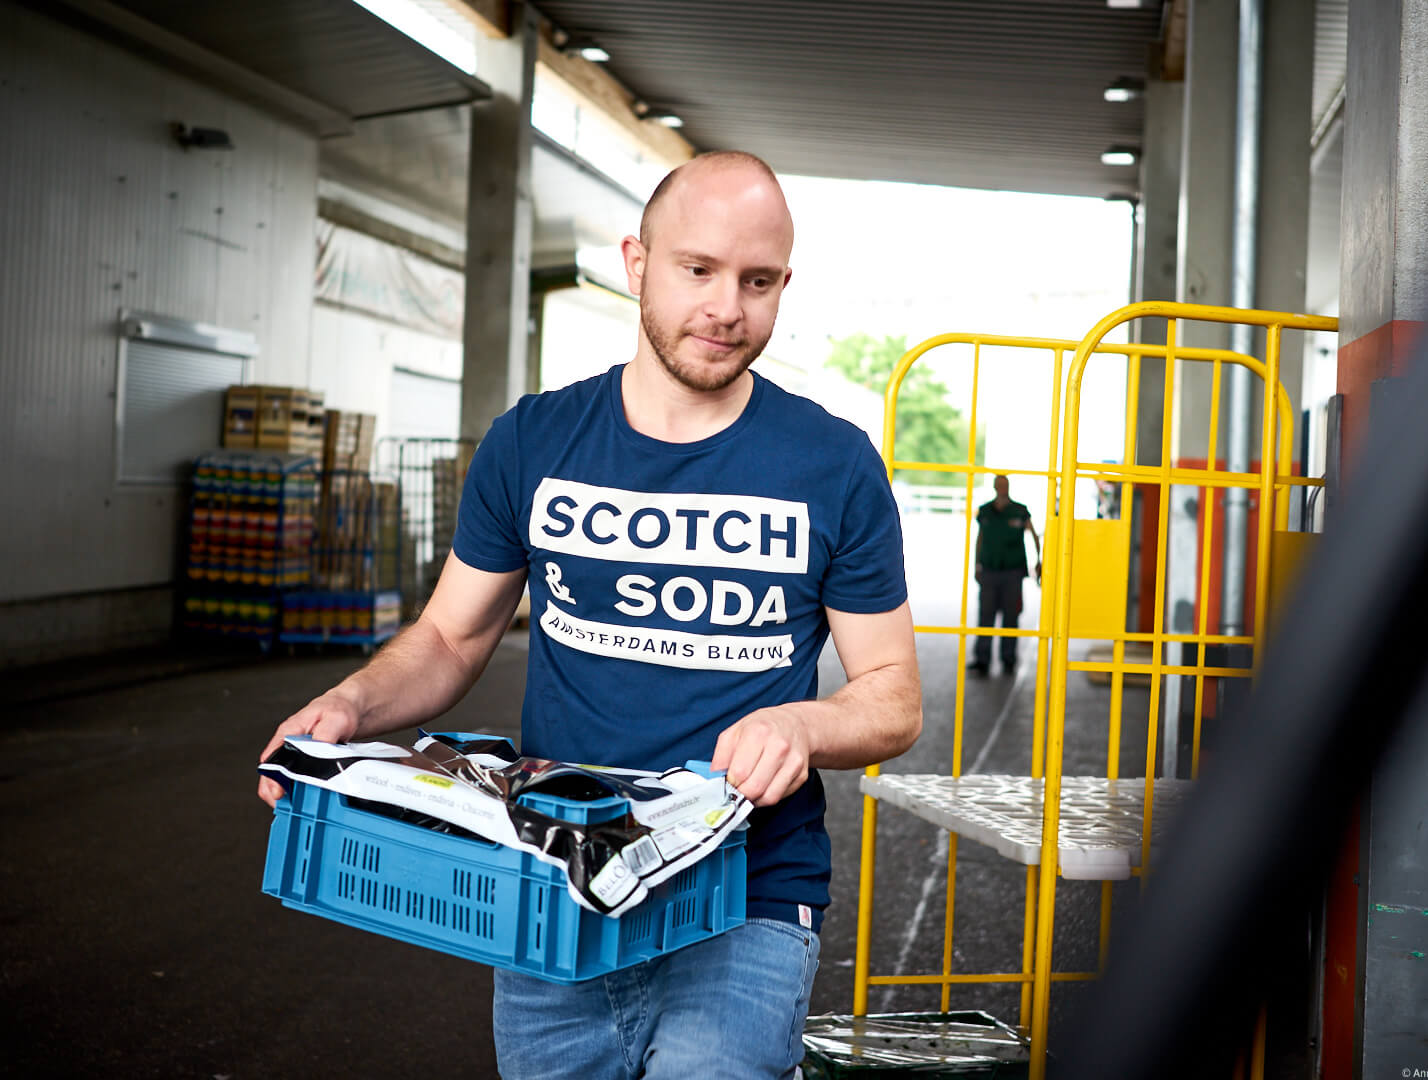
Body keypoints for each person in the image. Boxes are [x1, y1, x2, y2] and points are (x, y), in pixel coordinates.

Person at [256, 151, 922, 1079]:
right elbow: (452, 636)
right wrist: (352, 707)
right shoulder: (534, 440)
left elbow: (892, 695)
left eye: (757, 281)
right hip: (555, 886)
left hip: (745, 896)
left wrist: (801, 723)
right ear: (636, 262)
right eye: (699, 269)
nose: (728, 307)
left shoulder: (833, 465)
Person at [968, 474, 1041, 676]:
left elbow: (1033, 535)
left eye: (1004, 485)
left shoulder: (1019, 511)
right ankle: (982, 659)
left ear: (1008, 487)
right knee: (986, 615)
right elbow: (979, 539)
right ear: (994, 487)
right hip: (990, 570)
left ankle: (1008, 659)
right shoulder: (985, 512)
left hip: (1013, 572)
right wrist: (977, 565)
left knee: (1011, 616)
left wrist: (1038, 560)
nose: (1001, 488)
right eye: (998, 485)